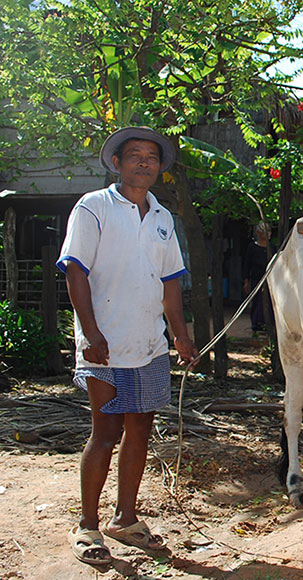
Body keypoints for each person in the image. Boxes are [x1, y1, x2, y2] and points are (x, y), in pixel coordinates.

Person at [57, 126, 199, 566]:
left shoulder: (161, 218)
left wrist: (179, 333)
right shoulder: (94, 208)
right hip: (105, 344)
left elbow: (170, 282)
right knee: (105, 434)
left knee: (139, 432)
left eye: (151, 157)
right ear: (116, 163)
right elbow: (75, 271)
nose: (144, 162)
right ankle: (86, 525)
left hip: (149, 345)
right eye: (134, 155)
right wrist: (91, 333)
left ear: (159, 167)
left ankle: (126, 518)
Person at [242, 222, 274, 334]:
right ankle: (256, 325)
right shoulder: (252, 247)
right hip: (256, 279)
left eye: (269, 231)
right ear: (258, 233)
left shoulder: (272, 247)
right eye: (265, 231)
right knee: (257, 302)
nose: (268, 234)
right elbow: (247, 265)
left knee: (270, 302)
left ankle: (268, 324)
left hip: (270, 279)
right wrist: (246, 281)